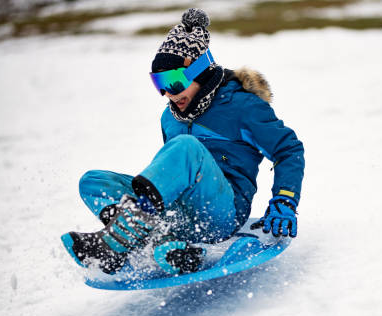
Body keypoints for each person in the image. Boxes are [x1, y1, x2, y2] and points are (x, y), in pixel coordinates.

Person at [61, 8, 305, 275]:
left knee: (186, 148)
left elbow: (288, 149)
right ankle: (167, 244)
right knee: (93, 181)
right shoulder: (171, 117)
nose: (167, 93)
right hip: (177, 213)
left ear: (198, 71)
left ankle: (114, 244)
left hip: (221, 214)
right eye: (159, 84)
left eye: (173, 82)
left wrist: (284, 201)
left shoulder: (242, 106)